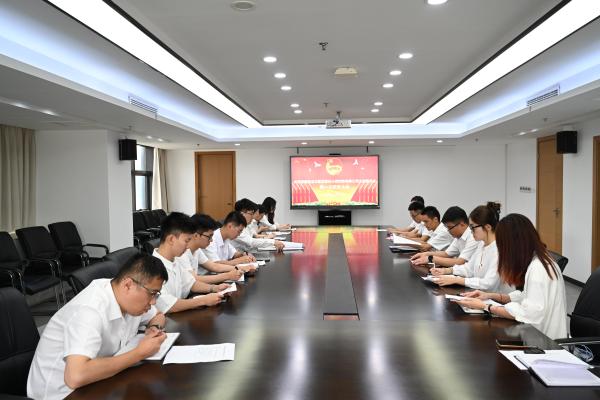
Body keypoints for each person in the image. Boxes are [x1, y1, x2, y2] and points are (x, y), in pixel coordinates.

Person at [27, 254, 169, 400]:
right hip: (61, 394)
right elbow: (75, 376)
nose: (153, 302)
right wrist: (139, 353)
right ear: (128, 285)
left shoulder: (127, 298)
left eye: (156, 294)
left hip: (96, 383)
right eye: (152, 293)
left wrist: (154, 328)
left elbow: (158, 315)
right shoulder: (89, 310)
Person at [455, 214, 568, 339]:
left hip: (543, 342)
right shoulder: (539, 261)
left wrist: (486, 306)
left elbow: (529, 313)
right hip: (534, 334)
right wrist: (490, 296)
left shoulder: (538, 269)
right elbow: (527, 296)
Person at [429, 203, 513, 293]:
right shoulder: (481, 244)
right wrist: (446, 270)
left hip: (494, 299)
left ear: (488, 227)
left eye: (473, 227)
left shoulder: (499, 249)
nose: (471, 231)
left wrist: (457, 280)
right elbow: (469, 268)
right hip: (478, 294)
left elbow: (488, 283)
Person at [152, 212, 224, 314]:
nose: (188, 246)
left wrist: (215, 288)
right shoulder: (152, 268)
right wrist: (203, 300)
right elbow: (169, 305)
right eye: (186, 241)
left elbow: (191, 284)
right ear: (171, 239)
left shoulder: (175, 260)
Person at [410, 206, 478, 267]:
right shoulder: (458, 237)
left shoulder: (473, 237)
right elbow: (446, 253)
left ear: (462, 224)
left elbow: (460, 262)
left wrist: (431, 258)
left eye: (450, 227)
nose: (448, 231)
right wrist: (425, 254)